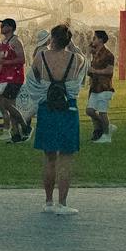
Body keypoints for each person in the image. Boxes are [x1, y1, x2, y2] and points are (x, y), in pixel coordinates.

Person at [30, 24, 83, 214]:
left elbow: (35, 75)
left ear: (51, 38)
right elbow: (80, 71)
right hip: (68, 109)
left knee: (49, 157)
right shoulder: (76, 59)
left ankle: (48, 201)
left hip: (47, 107)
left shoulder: (40, 56)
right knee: (66, 158)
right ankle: (63, 203)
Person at [0, 19, 30, 143]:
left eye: (3, 25)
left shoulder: (16, 41)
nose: (1, 27)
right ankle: (16, 134)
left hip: (15, 77)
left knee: (7, 104)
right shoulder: (4, 41)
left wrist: (5, 62)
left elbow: (22, 59)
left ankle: (25, 126)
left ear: (10, 27)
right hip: (5, 76)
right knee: (9, 105)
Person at [86, 30, 116, 144]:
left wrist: (95, 71)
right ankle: (107, 126)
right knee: (89, 110)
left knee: (103, 112)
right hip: (95, 86)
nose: (93, 40)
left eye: (95, 38)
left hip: (104, 86)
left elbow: (110, 71)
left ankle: (107, 135)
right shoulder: (95, 53)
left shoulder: (108, 54)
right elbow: (87, 49)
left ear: (100, 40)